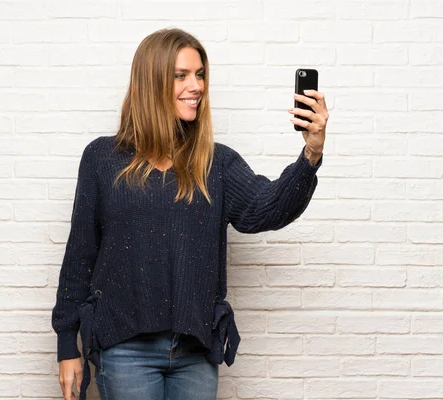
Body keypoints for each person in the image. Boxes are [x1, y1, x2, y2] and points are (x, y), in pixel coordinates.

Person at [52, 28, 328, 400]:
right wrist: (68, 345)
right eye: (181, 75)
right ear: (151, 83)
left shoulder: (215, 162)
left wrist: (310, 155)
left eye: (199, 75)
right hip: (125, 350)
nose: (195, 86)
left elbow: (265, 209)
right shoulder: (102, 158)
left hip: (195, 353)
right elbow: (80, 257)